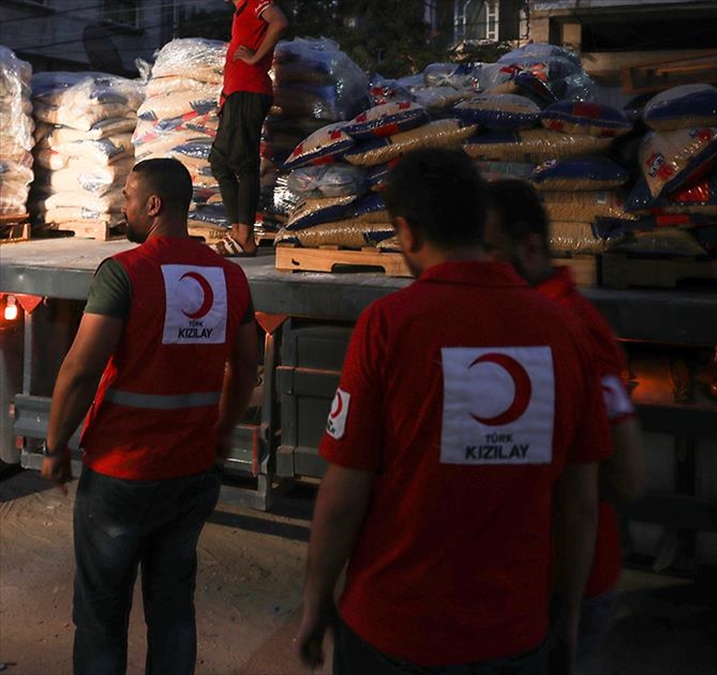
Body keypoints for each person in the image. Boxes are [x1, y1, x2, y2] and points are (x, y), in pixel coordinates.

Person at [296, 148, 608, 675]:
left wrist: (315, 599)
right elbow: (580, 503)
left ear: (407, 233)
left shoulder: (388, 325)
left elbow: (345, 493)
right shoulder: (566, 330)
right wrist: (570, 611)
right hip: (514, 633)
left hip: (393, 629)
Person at [39, 157, 259, 675]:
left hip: (122, 473)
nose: (124, 208)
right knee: (174, 611)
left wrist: (54, 447)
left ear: (154, 206)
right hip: (191, 471)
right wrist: (222, 434)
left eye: (130, 199)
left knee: (100, 618)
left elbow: (78, 371)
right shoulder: (230, 278)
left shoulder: (125, 272)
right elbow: (246, 368)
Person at [485, 179, 645, 670]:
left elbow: (622, 477)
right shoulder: (529, 319)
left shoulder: (571, 328)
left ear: (528, 248)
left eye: (488, 251)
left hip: (564, 582)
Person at [208, 0, 288, 257]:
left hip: (250, 91)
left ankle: (245, 238)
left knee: (245, 164)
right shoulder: (241, 10)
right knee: (220, 162)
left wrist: (255, 58)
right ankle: (239, 232)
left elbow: (280, 22)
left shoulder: (255, 2)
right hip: (236, 95)